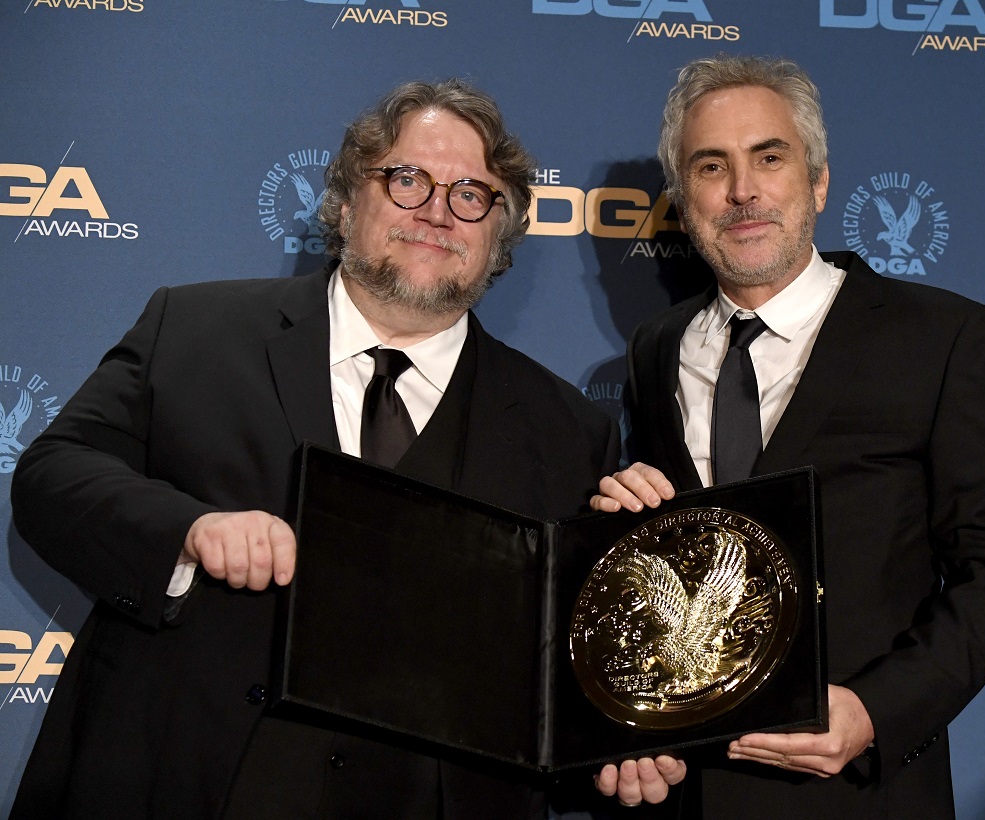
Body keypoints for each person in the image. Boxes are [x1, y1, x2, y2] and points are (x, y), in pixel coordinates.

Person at [9, 79, 622, 819]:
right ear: (342, 202)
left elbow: (569, 669)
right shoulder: (194, 329)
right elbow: (52, 474)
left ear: (499, 235)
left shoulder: (568, 428)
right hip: (175, 778)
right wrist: (189, 532)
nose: (437, 210)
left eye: (471, 194)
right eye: (407, 180)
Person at [591, 55, 985, 818]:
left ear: (820, 180)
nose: (744, 190)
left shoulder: (942, 336)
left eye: (770, 156)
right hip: (692, 795)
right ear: (682, 199)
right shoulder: (654, 348)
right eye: (711, 166)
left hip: (863, 794)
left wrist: (877, 712)